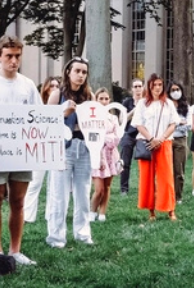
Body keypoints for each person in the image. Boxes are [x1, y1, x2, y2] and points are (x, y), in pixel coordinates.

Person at [0, 35, 41, 265]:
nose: (13, 61)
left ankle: (15, 250)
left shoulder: (27, 85)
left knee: (17, 200)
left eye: (17, 56)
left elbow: (39, 117)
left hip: (22, 151)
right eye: (8, 56)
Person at [46, 57, 96, 248]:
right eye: (77, 71)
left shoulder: (88, 95)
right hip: (62, 146)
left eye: (84, 72)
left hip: (83, 147)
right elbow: (46, 122)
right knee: (59, 194)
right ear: (68, 72)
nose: (81, 75)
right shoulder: (58, 94)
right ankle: (56, 237)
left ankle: (83, 234)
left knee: (83, 193)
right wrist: (63, 113)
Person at [133, 74, 179, 220]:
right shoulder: (142, 103)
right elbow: (138, 124)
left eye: (160, 84)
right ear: (149, 86)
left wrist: (161, 138)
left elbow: (173, 123)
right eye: (155, 84)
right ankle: (151, 210)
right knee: (147, 177)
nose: (157, 87)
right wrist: (151, 139)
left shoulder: (169, 104)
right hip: (147, 143)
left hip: (164, 142)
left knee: (166, 177)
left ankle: (170, 209)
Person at [23, 76, 61, 223]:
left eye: (57, 86)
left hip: (56, 147)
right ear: (45, 88)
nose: (54, 89)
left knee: (54, 184)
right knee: (34, 182)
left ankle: (50, 215)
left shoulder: (62, 106)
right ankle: (28, 215)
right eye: (51, 86)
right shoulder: (37, 106)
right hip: (38, 147)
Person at [89, 87, 122, 222]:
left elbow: (117, 136)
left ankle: (102, 212)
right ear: (96, 100)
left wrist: (107, 138)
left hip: (111, 154)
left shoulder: (112, 118)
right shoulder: (92, 118)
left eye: (106, 98)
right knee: (99, 188)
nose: (103, 101)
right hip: (97, 154)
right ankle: (92, 211)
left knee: (107, 186)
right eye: (100, 98)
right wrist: (103, 138)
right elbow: (92, 136)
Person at [118, 78, 144, 194]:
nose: (138, 89)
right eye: (135, 87)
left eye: (140, 86)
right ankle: (124, 189)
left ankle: (144, 188)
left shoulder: (147, 102)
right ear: (132, 89)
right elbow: (121, 120)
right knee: (125, 162)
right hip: (128, 133)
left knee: (143, 162)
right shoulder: (126, 102)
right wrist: (135, 110)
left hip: (142, 134)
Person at [167, 81, 190, 204]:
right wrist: (179, 122)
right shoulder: (165, 106)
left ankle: (178, 196)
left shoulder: (186, 106)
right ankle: (167, 194)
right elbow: (165, 124)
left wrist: (175, 124)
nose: (175, 92)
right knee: (167, 169)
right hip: (167, 139)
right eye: (173, 90)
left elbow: (188, 125)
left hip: (181, 140)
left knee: (179, 170)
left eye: (178, 89)